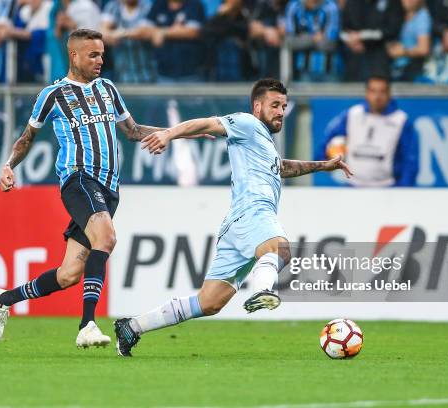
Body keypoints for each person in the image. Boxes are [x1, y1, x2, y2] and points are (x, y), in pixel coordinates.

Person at [113, 78, 353, 357]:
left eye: (284, 106)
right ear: (257, 106)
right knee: (280, 248)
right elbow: (205, 123)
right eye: (275, 105)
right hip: (254, 212)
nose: (281, 111)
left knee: (209, 303)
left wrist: (323, 165)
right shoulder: (246, 123)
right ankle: (264, 289)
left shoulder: (262, 142)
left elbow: (283, 167)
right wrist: (168, 134)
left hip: (237, 224)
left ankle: (132, 327)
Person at [0, 29, 170, 348]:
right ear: (74, 56)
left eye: (102, 54)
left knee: (69, 274)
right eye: (93, 55)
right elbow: (27, 137)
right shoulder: (53, 95)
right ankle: (86, 325)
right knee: (107, 237)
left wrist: (178, 132)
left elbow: (133, 130)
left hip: (109, 188)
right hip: (79, 179)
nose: (100, 60)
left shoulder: (108, 89)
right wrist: (7, 165)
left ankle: (4, 298)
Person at [316, 75, 418, 187]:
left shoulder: (401, 120)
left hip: (386, 188)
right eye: (373, 91)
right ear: (366, 93)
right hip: (352, 187)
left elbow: (410, 161)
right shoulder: (351, 115)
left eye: (382, 92)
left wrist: (402, 190)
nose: (377, 96)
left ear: (389, 94)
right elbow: (327, 144)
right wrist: (326, 158)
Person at [387, 0, 431, 82]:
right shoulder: (398, 15)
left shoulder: (422, 16)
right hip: (396, 70)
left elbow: (424, 49)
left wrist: (403, 52)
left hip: (414, 73)